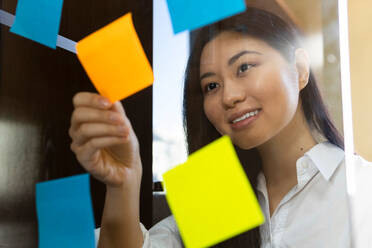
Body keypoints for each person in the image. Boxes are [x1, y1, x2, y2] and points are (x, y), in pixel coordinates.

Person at [69, 7, 357, 248]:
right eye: (211, 85)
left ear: (300, 68)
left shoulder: (359, 188)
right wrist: (124, 183)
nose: (229, 97)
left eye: (244, 67)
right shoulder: (212, 192)